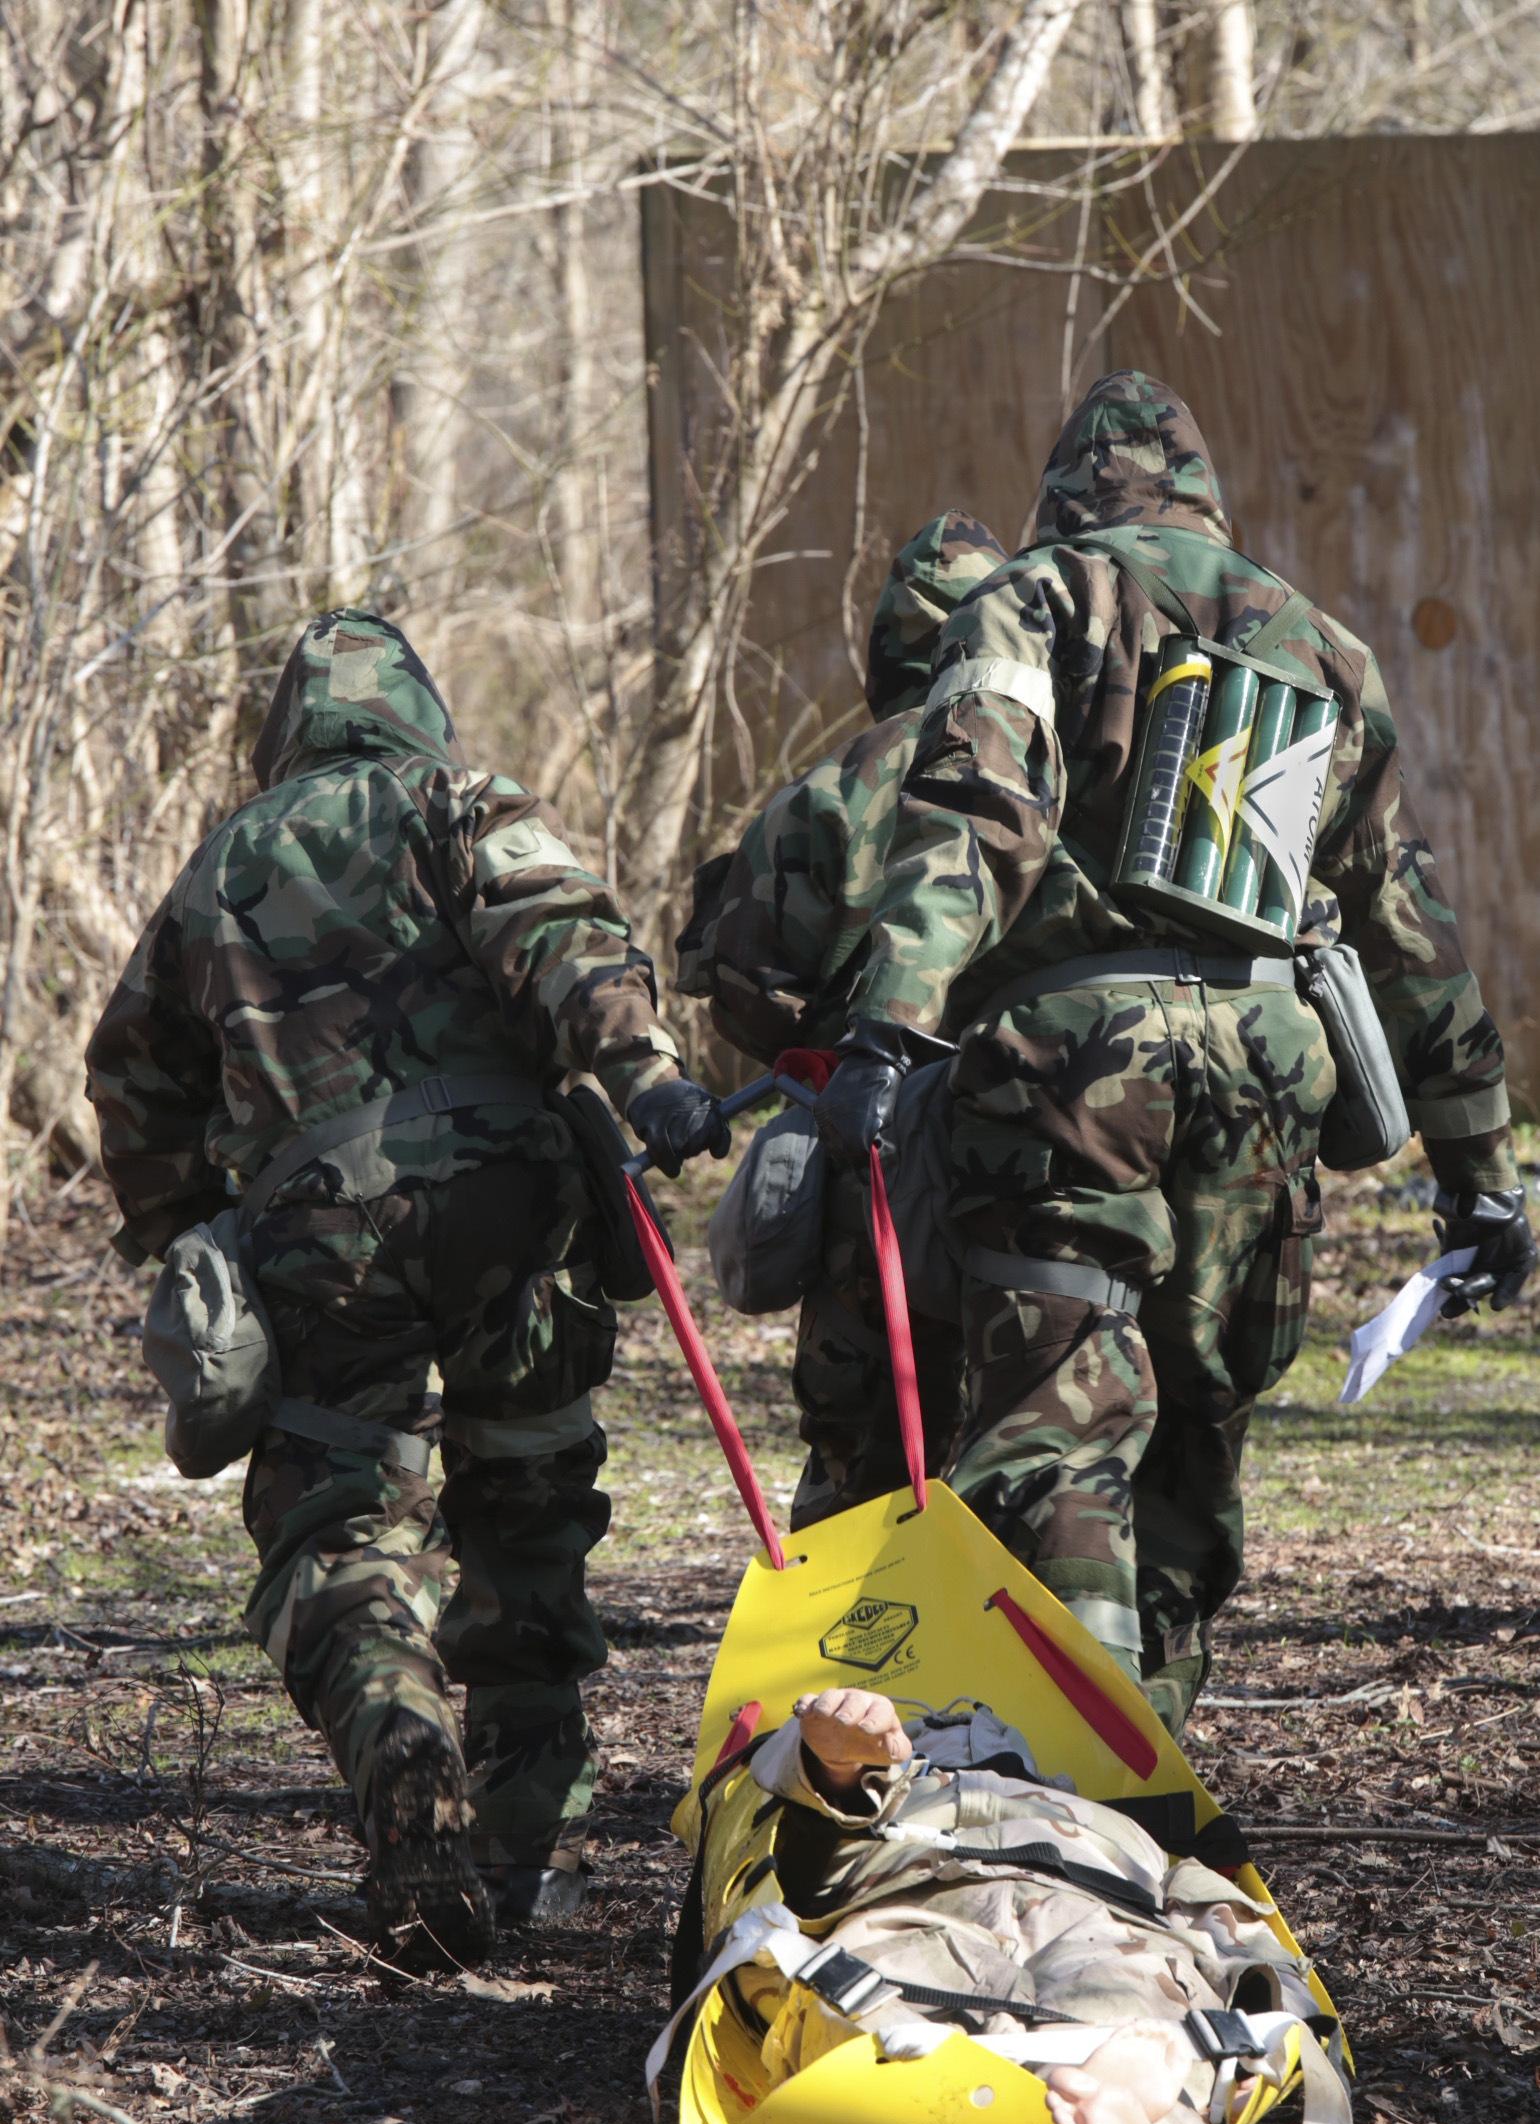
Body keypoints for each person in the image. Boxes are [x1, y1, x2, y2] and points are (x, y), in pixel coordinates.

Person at [811, 372, 1536, 1733]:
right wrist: (1479, 1166)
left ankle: (1073, 1755)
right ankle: (1153, 1753)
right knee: (1198, 1415)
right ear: (1202, 492)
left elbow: (976, 818)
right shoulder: (1322, 645)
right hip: (1268, 1062)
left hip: (1071, 1066)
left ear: (1067, 491)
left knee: (1059, 1410)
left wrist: (890, 1017)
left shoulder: (1030, 601)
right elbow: (1402, 916)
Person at [86, 608, 729, 1966]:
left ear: (288, 730)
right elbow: (558, 926)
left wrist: (191, 1232)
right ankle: (515, 1837)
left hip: (323, 1230)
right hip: (514, 1196)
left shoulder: (219, 866)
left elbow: (131, 1074)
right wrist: (650, 1075)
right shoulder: (455, 799)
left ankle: (400, 1756)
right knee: (529, 1497)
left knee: (338, 1524)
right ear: (417, 711)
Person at [662, 1684, 1352, 2124]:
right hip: (1099, 1914)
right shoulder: (1102, 1819)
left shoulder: (907, 1794)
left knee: (881, 2028)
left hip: (919, 1909)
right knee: (1149, 2022)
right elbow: (1223, 1920)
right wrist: (1287, 2015)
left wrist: (838, 1770)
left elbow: (799, 1850)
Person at [677, 510, 1006, 1525]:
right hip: (1042, 1146)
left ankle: (851, 1672)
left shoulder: (831, 789)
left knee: (862, 1455)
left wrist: (825, 1030)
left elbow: (739, 979)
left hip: (872, 1164)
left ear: (886, 647)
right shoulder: (1065, 770)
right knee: (1039, 1431)